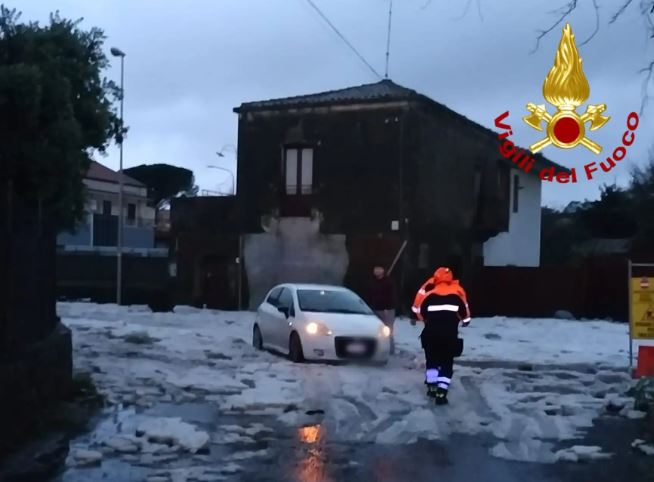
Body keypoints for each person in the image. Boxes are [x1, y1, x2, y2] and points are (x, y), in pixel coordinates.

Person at [412, 267, 471, 405]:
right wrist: (462, 321)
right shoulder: (457, 296)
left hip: (431, 334)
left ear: (436, 279)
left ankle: (432, 387)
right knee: (446, 363)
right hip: (449, 336)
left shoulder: (429, 295)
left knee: (431, 360)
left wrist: (427, 320)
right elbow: (466, 316)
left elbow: (420, 313)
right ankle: (441, 393)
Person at [369, 266, 397, 354]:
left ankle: (390, 349)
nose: (377, 271)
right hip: (375, 309)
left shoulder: (388, 282)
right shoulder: (372, 282)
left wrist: (387, 308)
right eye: (375, 269)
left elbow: (392, 296)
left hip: (387, 309)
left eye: (379, 269)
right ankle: (377, 348)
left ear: (383, 270)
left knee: (388, 330)